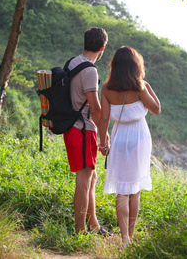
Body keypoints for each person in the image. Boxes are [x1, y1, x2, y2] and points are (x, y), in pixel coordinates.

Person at [98, 46, 161, 246]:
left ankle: (124, 236)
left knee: (122, 190)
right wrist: (147, 87)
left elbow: (104, 119)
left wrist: (102, 142)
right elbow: (156, 110)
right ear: (136, 66)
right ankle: (130, 237)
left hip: (119, 136)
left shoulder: (107, 88)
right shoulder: (140, 87)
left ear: (114, 66)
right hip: (139, 136)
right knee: (135, 189)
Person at [63, 27, 109, 235]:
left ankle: (93, 225)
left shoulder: (73, 62)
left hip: (74, 127)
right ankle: (80, 231)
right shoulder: (90, 70)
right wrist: (103, 134)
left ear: (84, 44)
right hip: (82, 129)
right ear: (102, 48)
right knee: (83, 181)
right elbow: (95, 107)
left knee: (92, 177)